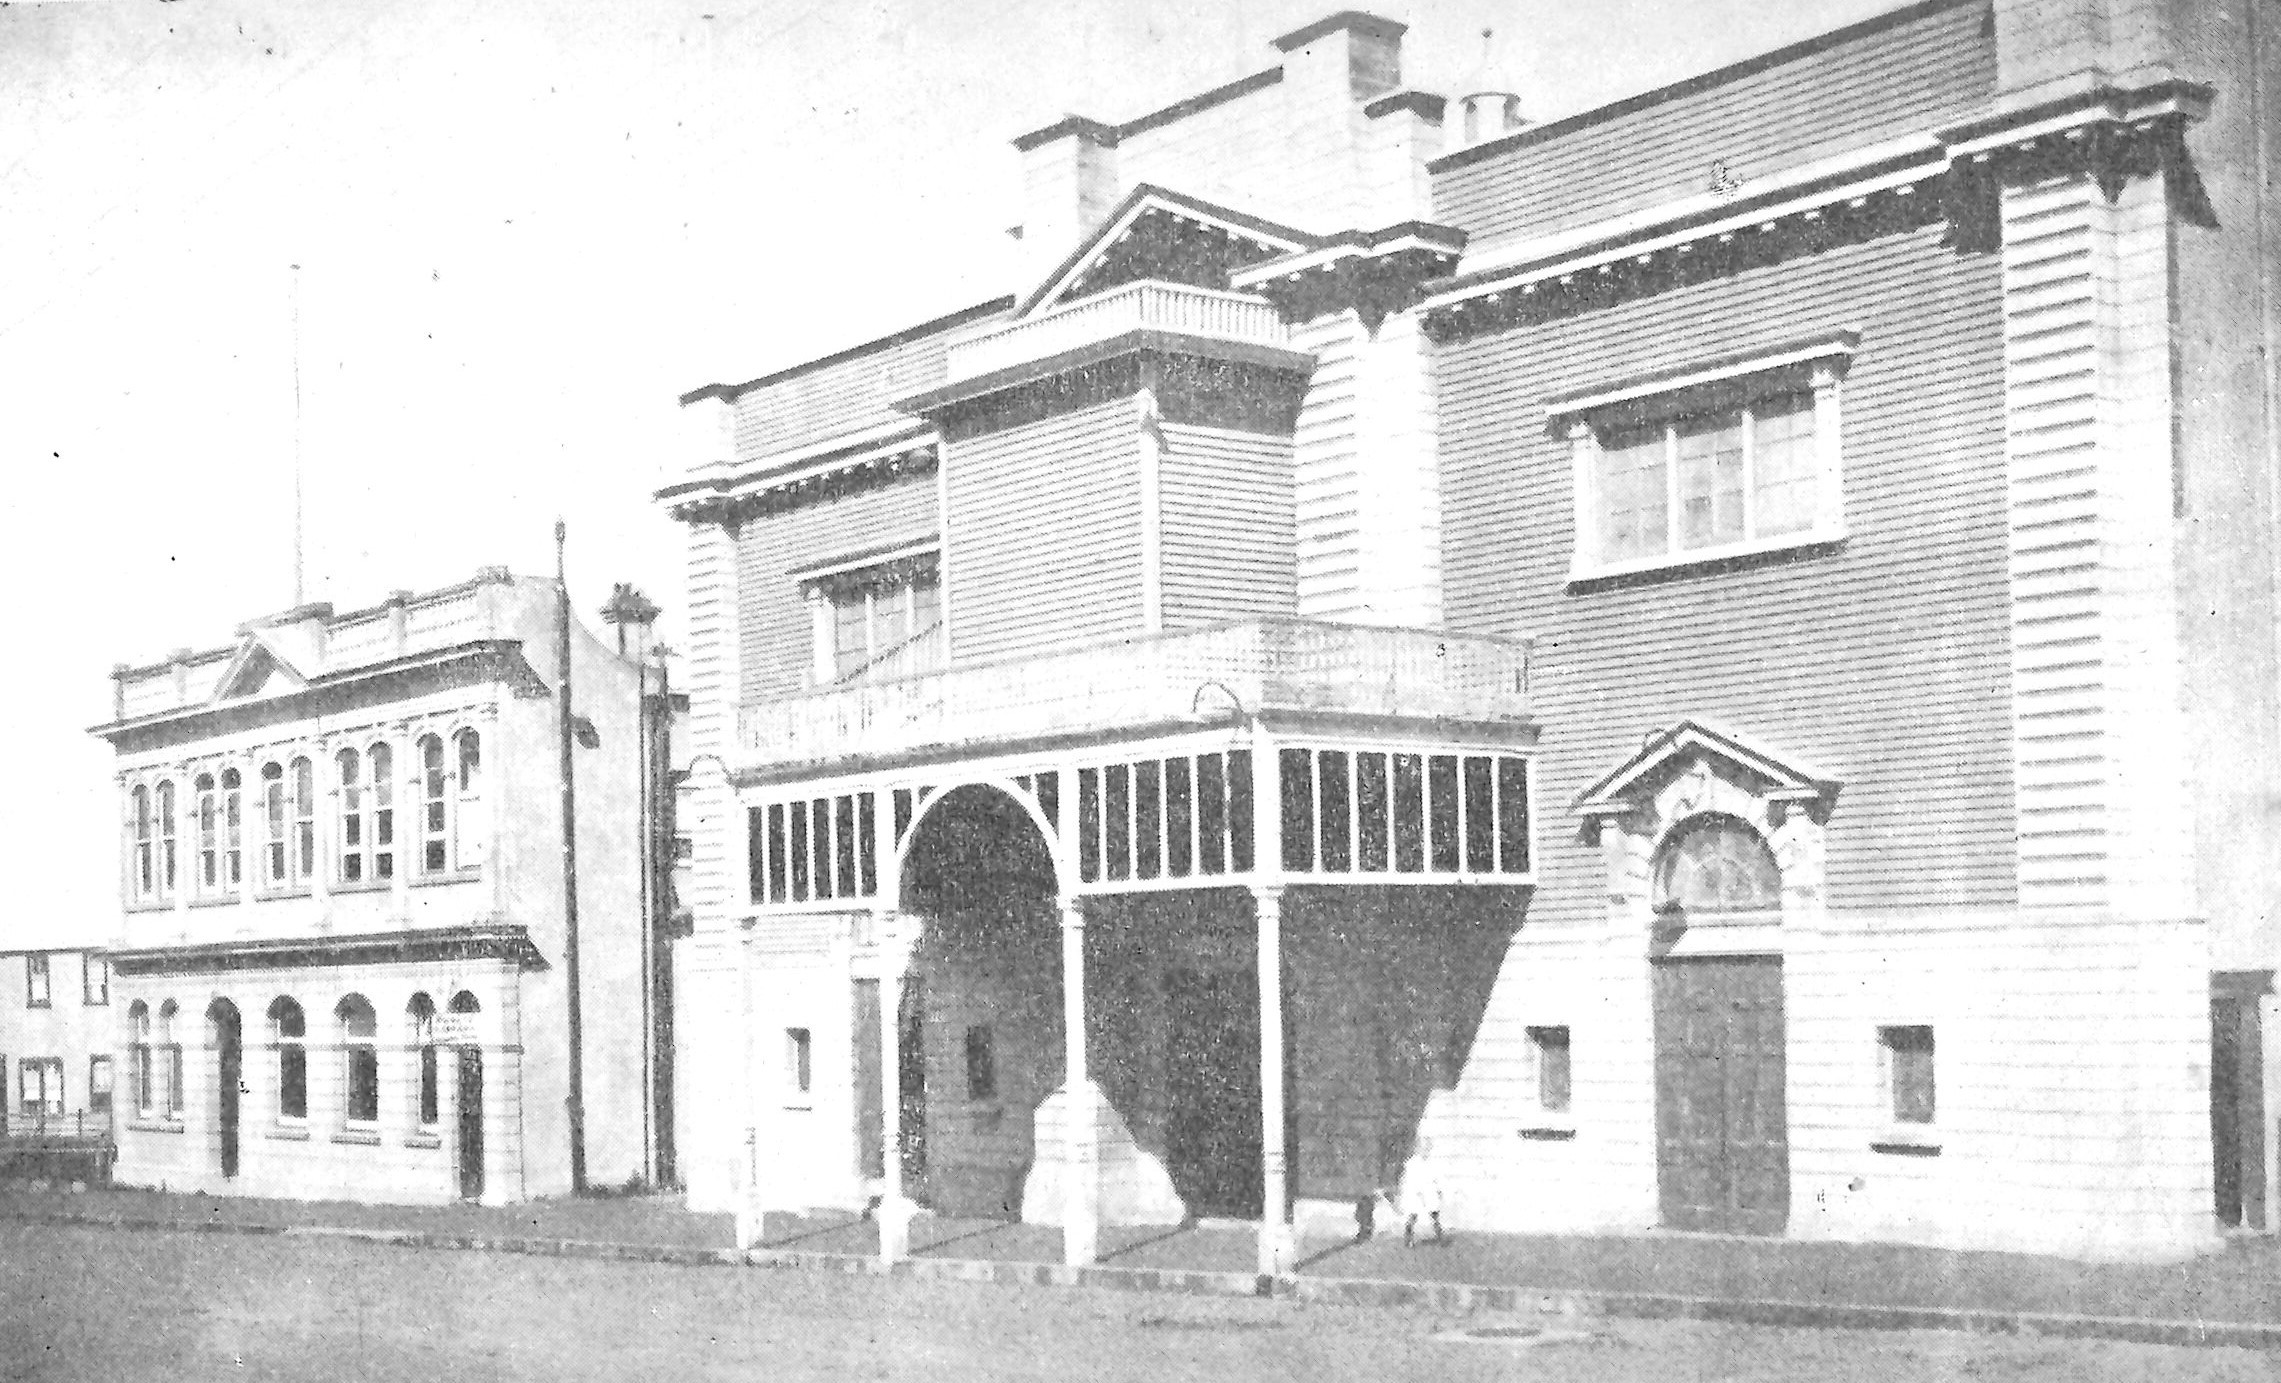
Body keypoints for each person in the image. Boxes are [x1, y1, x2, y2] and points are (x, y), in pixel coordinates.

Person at [1401, 1139, 1444, 1247]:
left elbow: (1436, 1177)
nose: (1425, 1151)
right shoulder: (1412, 1163)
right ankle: (1408, 1239)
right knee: (1413, 1214)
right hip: (1415, 1191)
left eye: (1427, 1149)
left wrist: (1438, 1189)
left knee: (1434, 1214)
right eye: (1423, 1149)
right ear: (1418, 1149)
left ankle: (1440, 1237)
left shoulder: (1432, 1163)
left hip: (1429, 1190)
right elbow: (1410, 1179)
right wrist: (1417, 1191)